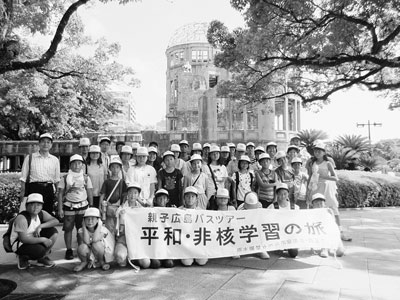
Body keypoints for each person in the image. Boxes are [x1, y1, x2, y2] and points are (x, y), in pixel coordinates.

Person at [307, 142, 352, 242]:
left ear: (324, 152)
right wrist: (308, 191)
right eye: (315, 151)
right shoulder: (312, 163)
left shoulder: (328, 163)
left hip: (327, 188)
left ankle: (340, 233)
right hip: (315, 188)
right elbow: (310, 177)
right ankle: (318, 234)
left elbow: (335, 178)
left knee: (333, 209)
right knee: (317, 210)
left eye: (319, 151)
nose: (317, 152)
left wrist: (324, 177)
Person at [58, 154, 93, 260]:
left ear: (82, 165)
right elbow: (60, 193)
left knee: (81, 229)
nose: (77, 165)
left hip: (83, 206)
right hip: (69, 206)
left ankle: (81, 248)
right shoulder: (64, 178)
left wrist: (91, 207)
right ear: (70, 165)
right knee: (68, 229)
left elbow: (89, 191)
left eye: (79, 163)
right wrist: (60, 208)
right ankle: (69, 250)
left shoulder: (86, 178)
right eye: (74, 163)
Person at [10, 193, 59, 269]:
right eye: (32, 204)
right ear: (26, 206)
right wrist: (43, 239)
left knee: (53, 232)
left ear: (42, 206)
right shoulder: (22, 218)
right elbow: (23, 239)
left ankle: (42, 257)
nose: (36, 207)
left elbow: (56, 221)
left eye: (39, 205)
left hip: (33, 237)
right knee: (39, 250)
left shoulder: (41, 213)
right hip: (19, 243)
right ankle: (23, 257)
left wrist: (41, 226)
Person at [20, 133, 60, 215]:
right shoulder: (30, 157)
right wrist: (22, 192)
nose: (45, 144)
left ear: (51, 144)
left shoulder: (55, 160)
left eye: (48, 142)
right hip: (34, 188)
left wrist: (58, 193)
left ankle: (43, 228)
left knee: (47, 213)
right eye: (43, 142)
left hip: (48, 189)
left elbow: (57, 179)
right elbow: (23, 177)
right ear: (39, 143)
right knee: (32, 212)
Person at [115, 182, 150, 269]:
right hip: (124, 239)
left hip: (138, 241)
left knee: (146, 263)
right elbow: (120, 231)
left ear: (138, 195)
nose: (132, 195)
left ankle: (134, 258)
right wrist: (122, 219)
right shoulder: (121, 209)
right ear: (127, 194)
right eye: (130, 192)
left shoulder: (142, 210)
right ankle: (127, 255)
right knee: (121, 258)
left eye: (135, 193)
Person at [73, 207, 115, 272]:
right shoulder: (81, 230)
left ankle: (101, 261)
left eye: (93, 219)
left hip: (101, 253)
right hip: (90, 252)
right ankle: (84, 262)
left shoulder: (103, 230)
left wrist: (99, 226)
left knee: (96, 244)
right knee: (82, 247)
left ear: (98, 220)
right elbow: (87, 241)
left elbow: (95, 239)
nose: (90, 221)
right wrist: (84, 226)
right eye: (87, 219)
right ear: (84, 221)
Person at [267, 183, 299, 258]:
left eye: (285, 194)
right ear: (277, 194)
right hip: (277, 233)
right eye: (280, 194)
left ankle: (289, 246)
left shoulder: (294, 207)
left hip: (290, 234)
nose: (283, 196)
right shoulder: (272, 207)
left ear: (288, 193)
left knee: (294, 253)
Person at [180, 186, 208, 266]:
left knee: (202, 261)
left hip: (197, 242)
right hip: (184, 244)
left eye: (192, 196)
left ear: (196, 199)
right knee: (187, 262)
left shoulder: (201, 212)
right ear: (184, 198)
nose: (190, 199)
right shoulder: (179, 211)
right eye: (187, 196)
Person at [311, 193, 345, 258]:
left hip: (332, 234)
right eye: (316, 203)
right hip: (319, 233)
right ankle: (324, 248)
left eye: (321, 202)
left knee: (340, 252)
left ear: (324, 204)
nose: (319, 205)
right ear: (313, 205)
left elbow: (332, 224)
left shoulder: (329, 211)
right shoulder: (311, 213)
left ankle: (331, 246)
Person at [100, 156, 127, 234]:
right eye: (113, 167)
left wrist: (122, 204)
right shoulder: (107, 182)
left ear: (120, 169)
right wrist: (100, 206)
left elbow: (124, 195)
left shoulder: (122, 182)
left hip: (118, 207)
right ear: (110, 169)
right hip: (108, 207)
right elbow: (103, 194)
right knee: (109, 227)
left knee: (118, 227)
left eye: (117, 167)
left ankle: (117, 243)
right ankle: (110, 244)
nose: (115, 169)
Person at [237, 192, 269, 259]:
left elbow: (262, 221)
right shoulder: (240, 208)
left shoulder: (260, 207)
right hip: (244, 228)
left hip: (255, 228)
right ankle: (237, 249)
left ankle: (260, 249)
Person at [149, 189, 175, 269]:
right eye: (159, 198)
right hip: (154, 245)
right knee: (156, 264)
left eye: (164, 198)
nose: (162, 200)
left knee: (169, 264)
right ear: (155, 200)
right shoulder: (150, 211)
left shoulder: (172, 211)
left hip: (167, 246)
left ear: (167, 200)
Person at [204, 145, 228, 209]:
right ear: (210, 155)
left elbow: (225, 182)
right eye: (213, 154)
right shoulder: (206, 167)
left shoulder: (223, 167)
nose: (215, 155)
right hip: (210, 194)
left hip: (221, 195)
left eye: (217, 153)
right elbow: (205, 183)